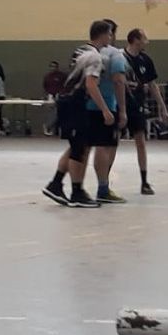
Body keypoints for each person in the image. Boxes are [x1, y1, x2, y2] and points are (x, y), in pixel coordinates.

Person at [43, 20, 116, 209]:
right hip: (74, 103)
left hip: (69, 103)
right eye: (109, 34)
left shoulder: (81, 50)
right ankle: (76, 192)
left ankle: (56, 184)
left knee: (78, 145)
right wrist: (105, 110)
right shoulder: (95, 57)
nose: (111, 37)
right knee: (79, 148)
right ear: (102, 35)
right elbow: (91, 84)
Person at [122, 28, 168, 195]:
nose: (147, 42)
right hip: (120, 105)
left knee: (140, 142)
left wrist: (163, 108)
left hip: (138, 107)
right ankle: (104, 185)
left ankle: (144, 181)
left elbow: (152, 85)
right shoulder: (120, 58)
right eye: (144, 38)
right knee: (110, 145)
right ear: (136, 40)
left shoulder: (145, 60)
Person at [94, 19, 128, 203]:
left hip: (88, 104)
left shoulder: (86, 50)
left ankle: (80, 187)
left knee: (84, 148)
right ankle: (103, 188)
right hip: (108, 104)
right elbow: (118, 81)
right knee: (107, 145)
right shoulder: (115, 54)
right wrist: (122, 110)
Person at [43, 60, 66, 136]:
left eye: (54, 67)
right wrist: (47, 95)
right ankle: (48, 127)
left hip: (60, 96)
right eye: (51, 67)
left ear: (57, 67)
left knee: (58, 113)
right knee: (51, 113)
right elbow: (45, 87)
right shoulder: (47, 77)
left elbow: (65, 86)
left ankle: (50, 126)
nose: (53, 68)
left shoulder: (62, 76)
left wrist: (61, 94)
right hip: (50, 96)